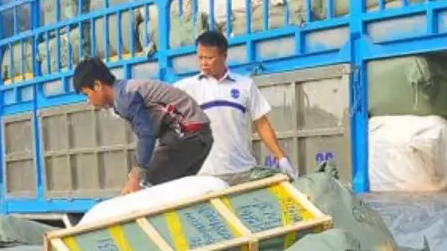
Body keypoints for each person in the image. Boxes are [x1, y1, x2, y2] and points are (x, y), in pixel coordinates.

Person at [72, 58, 215, 195]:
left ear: (97, 86)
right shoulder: (124, 91)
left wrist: (135, 177)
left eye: (87, 94)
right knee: (173, 189)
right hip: (197, 135)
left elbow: (146, 135)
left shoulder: (125, 97)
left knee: (147, 182)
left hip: (189, 133)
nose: (88, 101)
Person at [174, 31, 297, 179]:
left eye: (210, 58)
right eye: (200, 57)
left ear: (224, 56)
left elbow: (262, 124)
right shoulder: (185, 88)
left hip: (241, 171)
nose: (204, 63)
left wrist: (281, 158)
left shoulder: (244, 85)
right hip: (204, 175)